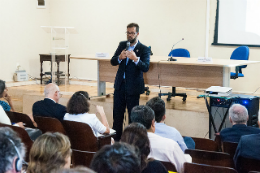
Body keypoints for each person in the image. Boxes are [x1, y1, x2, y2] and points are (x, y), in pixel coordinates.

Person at [111, 23, 150, 141]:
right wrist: (119, 57)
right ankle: (116, 142)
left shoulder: (144, 49)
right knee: (117, 117)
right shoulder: (122, 45)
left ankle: (131, 142)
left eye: (132, 33)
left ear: (137, 34)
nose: (129, 35)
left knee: (132, 118)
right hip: (120, 86)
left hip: (133, 88)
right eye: (128, 33)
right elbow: (112, 61)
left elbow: (146, 67)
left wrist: (135, 59)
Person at [131, 105, 190, 173]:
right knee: (189, 141)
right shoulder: (171, 146)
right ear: (153, 123)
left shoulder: (124, 147)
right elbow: (183, 169)